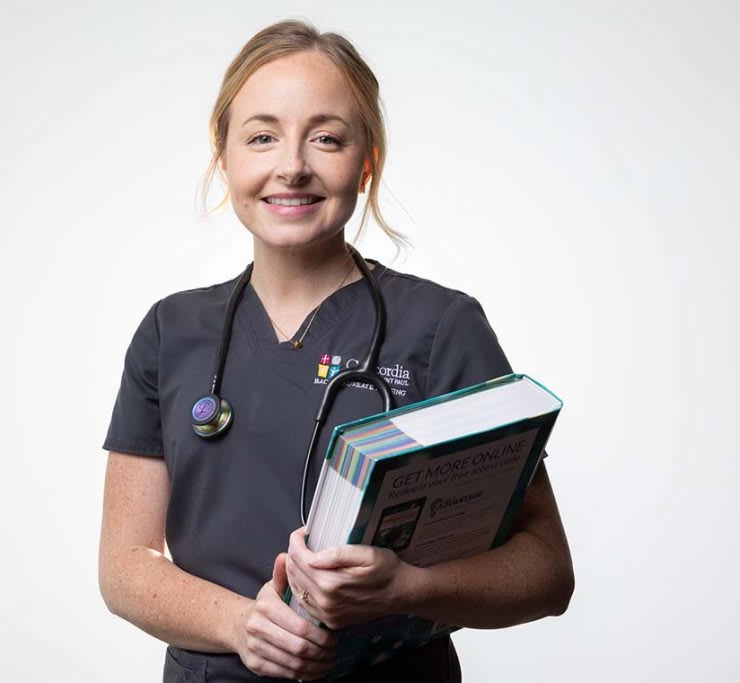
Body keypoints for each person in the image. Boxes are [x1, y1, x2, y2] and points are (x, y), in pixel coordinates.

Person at [99, 19, 574, 683]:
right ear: (225, 154)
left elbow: (547, 570)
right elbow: (124, 565)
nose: (291, 165)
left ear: (366, 159)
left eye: (325, 137)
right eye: (262, 136)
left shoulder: (441, 326)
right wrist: (244, 623)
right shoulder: (169, 331)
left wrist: (406, 586)